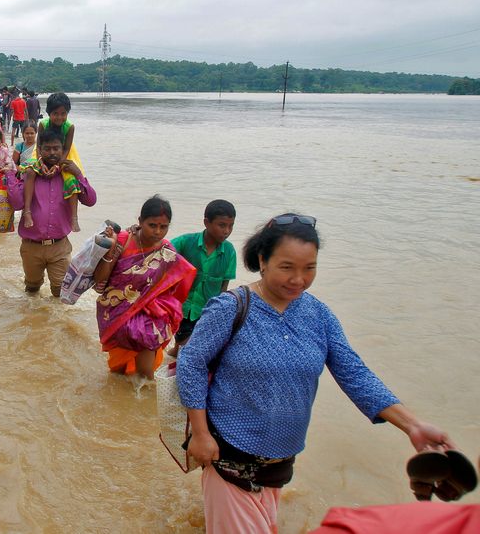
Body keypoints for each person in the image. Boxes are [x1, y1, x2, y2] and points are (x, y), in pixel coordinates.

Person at [176, 213, 456, 534]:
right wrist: (200, 434)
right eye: (287, 267)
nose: (299, 279)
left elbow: (354, 374)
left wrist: (414, 426)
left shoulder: (319, 315)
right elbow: (192, 363)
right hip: (229, 457)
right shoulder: (230, 308)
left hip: (279, 464)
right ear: (263, 260)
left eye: (309, 268)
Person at [93, 196, 196, 383]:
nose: (158, 232)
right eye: (152, 225)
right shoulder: (122, 240)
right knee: (118, 370)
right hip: (115, 309)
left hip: (150, 310)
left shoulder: (166, 250)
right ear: (140, 221)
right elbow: (100, 282)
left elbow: (175, 286)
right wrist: (110, 249)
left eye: (163, 227)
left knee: (147, 345)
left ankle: (145, 394)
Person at [4, 128, 97, 297]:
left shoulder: (69, 176)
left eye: (56, 148)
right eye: (47, 148)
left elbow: (91, 200)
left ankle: (55, 323)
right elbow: (17, 203)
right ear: (39, 149)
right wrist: (11, 175)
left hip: (59, 247)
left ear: (63, 150)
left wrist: (79, 173)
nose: (52, 153)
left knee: (59, 293)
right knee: (32, 289)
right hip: (31, 246)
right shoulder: (30, 172)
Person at [169, 200, 237, 357]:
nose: (227, 231)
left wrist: (220, 313)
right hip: (182, 308)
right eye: (222, 225)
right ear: (207, 222)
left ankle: (175, 353)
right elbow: (161, 250)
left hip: (207, 310)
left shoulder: (229, 251)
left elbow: (223, 287)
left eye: (231, 226)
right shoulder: (186, 242)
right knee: (185, 349)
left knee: (190, 350)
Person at [23, 92, 82, 232]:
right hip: (42, 152)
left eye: (63, 113)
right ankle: (27, 212)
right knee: (30, 171)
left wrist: (57, 165)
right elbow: (38, 146)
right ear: (49, 113)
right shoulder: (43, 124)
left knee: (71, 178)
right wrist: (40, 162)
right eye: (56, 113)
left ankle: (74, 217)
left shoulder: (70, 127)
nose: (59, 117)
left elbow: (67, 148)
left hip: (63, 153)